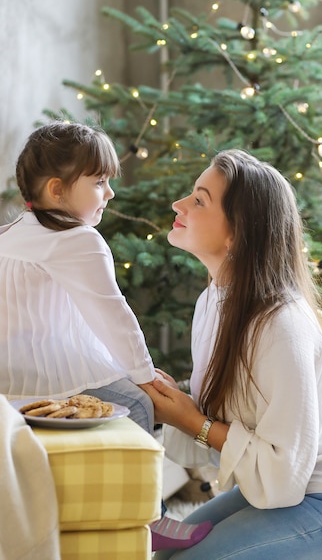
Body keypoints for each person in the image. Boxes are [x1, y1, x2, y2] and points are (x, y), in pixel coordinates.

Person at [141, 149, 322, 560]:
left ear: (237, 233)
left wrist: (189, 419)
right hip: (291, 492)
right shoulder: (212, 303)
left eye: (199, 199)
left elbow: (281, 474)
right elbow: (232, 417)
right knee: (161, 552)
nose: (179, 205)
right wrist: (176, 400)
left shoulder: (281, 324)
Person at [0, 121, 212, 551]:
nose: (110, 193)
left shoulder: (11, 233)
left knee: (129, 386)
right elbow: (113, 315)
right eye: (99, 182)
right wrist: (142, 374)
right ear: (57, 190)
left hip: (12, 376)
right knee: (136, 401)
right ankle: (149, 514)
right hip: (49, 377)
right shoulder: (79, 240)